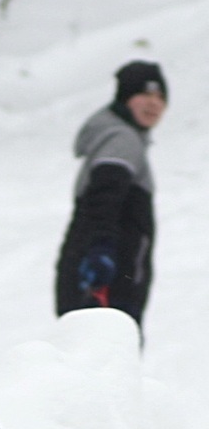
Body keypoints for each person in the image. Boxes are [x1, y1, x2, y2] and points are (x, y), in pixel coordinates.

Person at [55, 60, 168, 327]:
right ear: (125, 98)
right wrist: (100, 253)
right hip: (105, 282)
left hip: (102, 277)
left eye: (160, 97)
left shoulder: (121, 138)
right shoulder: (122, 140)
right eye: (144, 94)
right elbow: (103, 196)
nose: (154, 103)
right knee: (106, 361)